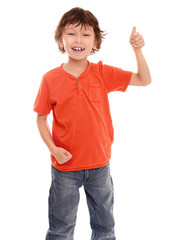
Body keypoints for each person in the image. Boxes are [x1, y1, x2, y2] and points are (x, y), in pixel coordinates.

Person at [33, 7, 151, 240]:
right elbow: (40, 118)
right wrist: (53, 149)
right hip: (64, 168)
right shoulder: (50, 79)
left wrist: (137, 50)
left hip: (99, 165)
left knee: (105, 229)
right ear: (60, 38)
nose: (78, 40)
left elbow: (144, 79)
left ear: (95, 40)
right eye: (71, 34)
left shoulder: (102, 73)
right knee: (60, 229)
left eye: (86, 34)